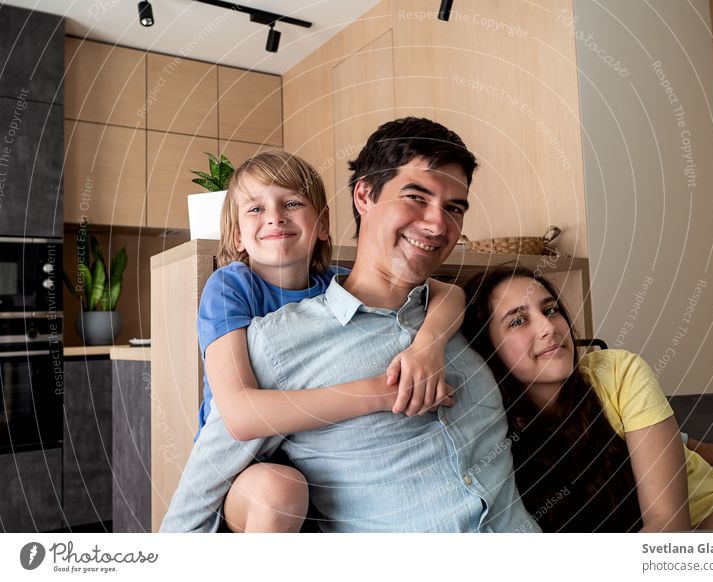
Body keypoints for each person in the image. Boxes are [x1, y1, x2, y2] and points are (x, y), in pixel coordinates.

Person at [160, 117, 538, 533]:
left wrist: (427, 345)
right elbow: (228, 433)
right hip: (252, 448)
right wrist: (379, 392)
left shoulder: (449, 312)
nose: (437, 224)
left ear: (321, 226)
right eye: (415, 196)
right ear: (364, 195)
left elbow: (448, 293)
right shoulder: (255, 317)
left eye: (454, 208)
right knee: (276, 489)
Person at [461, 264, 713, 531]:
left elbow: (670, 534)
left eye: (550, 310)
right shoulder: (489, 429)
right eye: (518, 320)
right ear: (486, 349)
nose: (548, 327)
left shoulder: (617, 371)